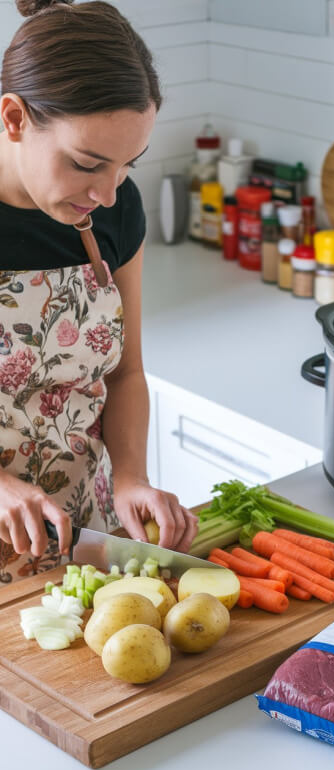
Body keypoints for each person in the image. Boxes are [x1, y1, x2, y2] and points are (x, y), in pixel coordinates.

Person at [0, 0, 198, 584]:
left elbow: (125, 374)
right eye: (88, 163)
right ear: (14, 118)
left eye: (126, 167)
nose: (108, 194)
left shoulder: (111, 214)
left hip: (83, 540)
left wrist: (132, 475)